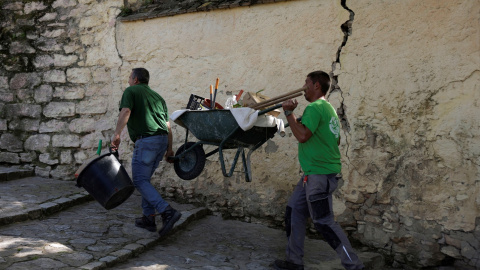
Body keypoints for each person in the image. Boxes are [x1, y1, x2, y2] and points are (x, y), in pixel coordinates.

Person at [273, 71, 364, 270]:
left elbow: (303, 136)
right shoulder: (329, 109)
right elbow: (336, 139)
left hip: (319, 176)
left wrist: (289, 114)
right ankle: (294, 262)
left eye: (306, 83)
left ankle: (355, 266)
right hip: (315, 174)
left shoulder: (315, 108)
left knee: (324, 222)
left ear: (316, 85)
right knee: (294, 211)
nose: (303, 88)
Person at [111, 67, 181, 238]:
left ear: (135, 79)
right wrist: (169, 148)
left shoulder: (131, 91)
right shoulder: (158, 97)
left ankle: (167, 211)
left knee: (140, 180)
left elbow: (126, 111)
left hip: (147, 141)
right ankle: (148, 218)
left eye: (129, 77)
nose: (128, 80)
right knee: (145, 180)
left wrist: (117, 134)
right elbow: (167, 126)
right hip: (161, 141)